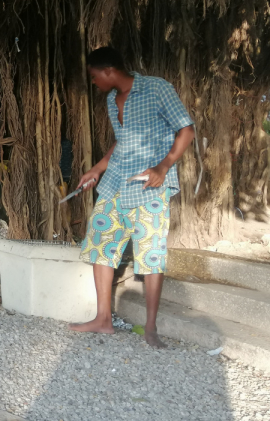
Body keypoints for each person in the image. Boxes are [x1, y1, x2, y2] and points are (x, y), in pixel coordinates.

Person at [70, 47, 194, 348]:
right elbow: (122, 141)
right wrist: (98, 169)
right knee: (101, 244)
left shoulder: (157, 88)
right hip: (115, 182)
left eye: (95, 76)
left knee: (151, 252)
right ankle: (103, 320)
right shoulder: (112, 100)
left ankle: (150, 327)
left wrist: (163, 167)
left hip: (148, 184)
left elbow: (186, 129)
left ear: (109, 71)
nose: (94, 82)